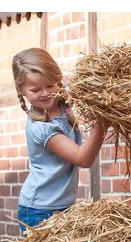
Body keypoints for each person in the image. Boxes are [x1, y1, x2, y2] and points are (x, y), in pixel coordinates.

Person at [12, 48, 110, 232]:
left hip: (63, 207)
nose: (46, 93)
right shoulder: (42, 127)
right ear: (21, 89)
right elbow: (83, 159)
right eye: (35, 90)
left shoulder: (61, 99)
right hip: (39, 211)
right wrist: (103, 123)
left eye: (50, 85)